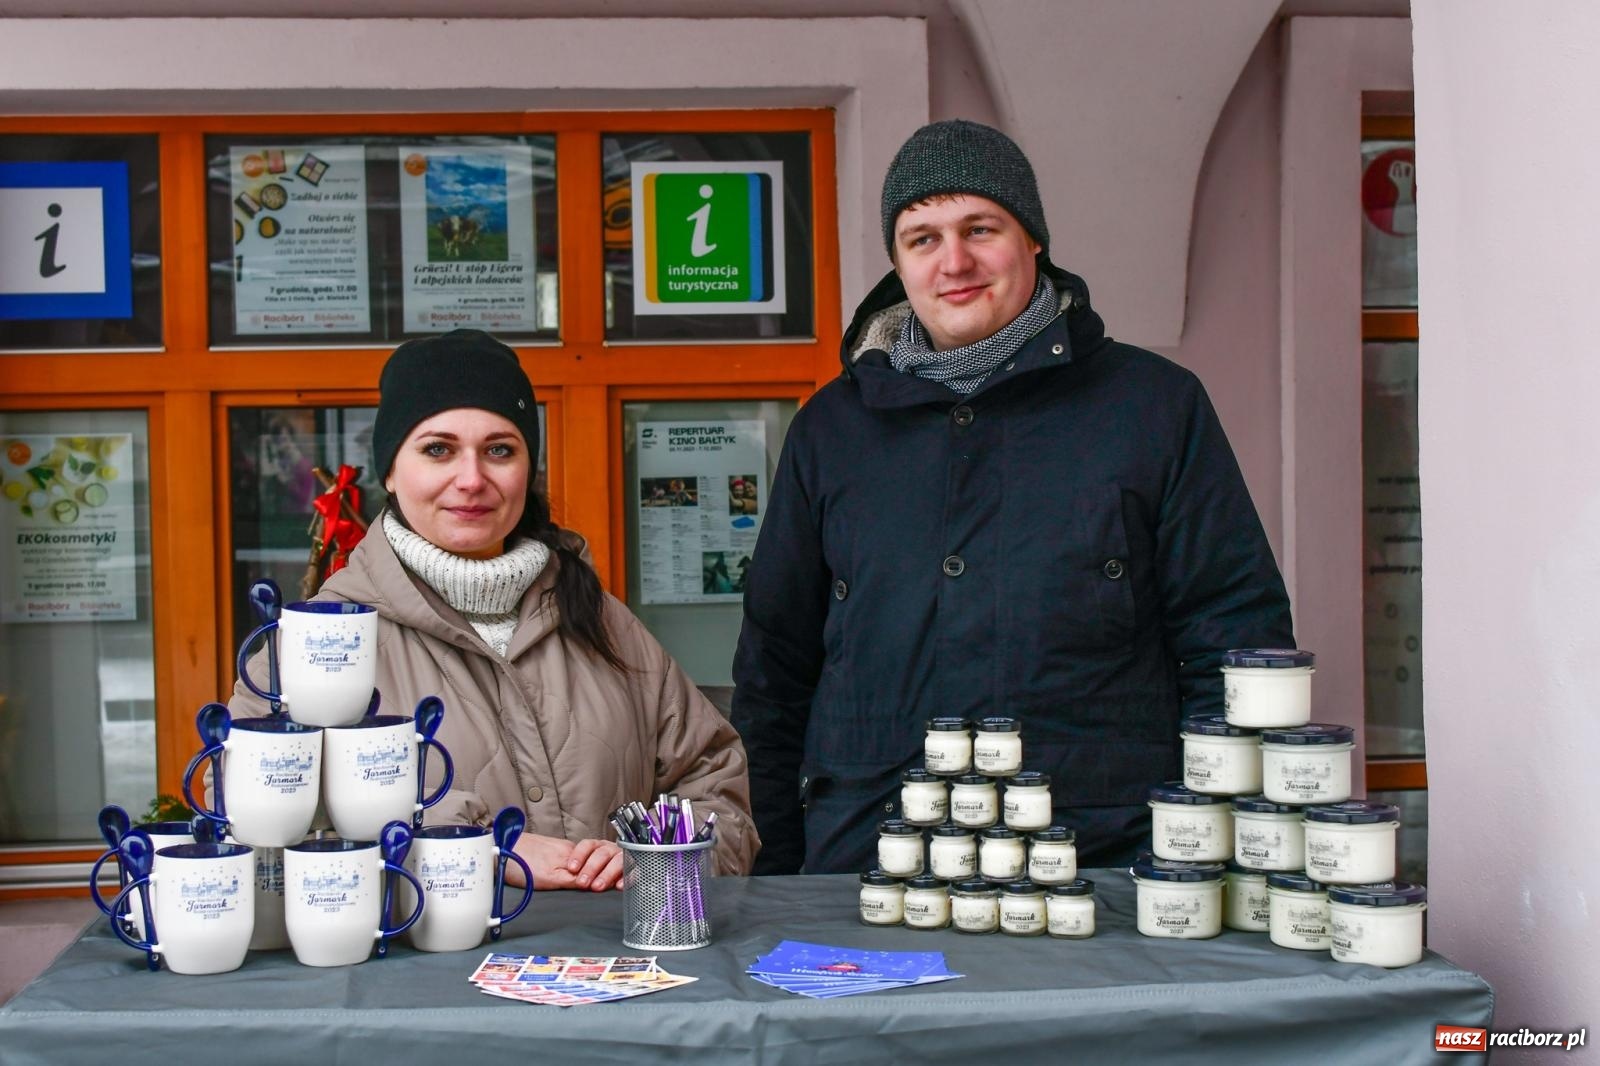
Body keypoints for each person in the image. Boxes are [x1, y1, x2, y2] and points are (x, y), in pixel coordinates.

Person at [731, 120, 1294, 875]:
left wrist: (1205, 853)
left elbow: (1232, 641)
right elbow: (775, 668)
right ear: (897, 263)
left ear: (1033, 239)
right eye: (921, 237)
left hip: (1100, 865)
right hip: (867, 861)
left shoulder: (1152, 408)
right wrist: (780, 871)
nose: (953, 261)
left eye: (980, 228)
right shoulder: (832, 430)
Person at [231, 329, 759, 888]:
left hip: (614, 969)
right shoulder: (312, 646)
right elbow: (263, 828)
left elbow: (715, 784)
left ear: (528, 469)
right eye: (438, 449)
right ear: (389, 471)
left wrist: (657, 862)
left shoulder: (601, 620)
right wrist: (475, 848)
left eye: (499, 450)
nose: (472, 479)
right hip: (417, 973)